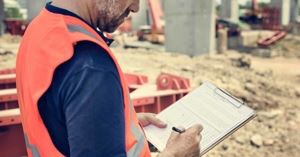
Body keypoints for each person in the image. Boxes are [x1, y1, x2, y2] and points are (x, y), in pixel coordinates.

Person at [16, 0, 203, 156]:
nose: (136, 7)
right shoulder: (91, 67)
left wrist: (114, 123)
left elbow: (56, 120)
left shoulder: (41, 27)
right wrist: (175, 155)